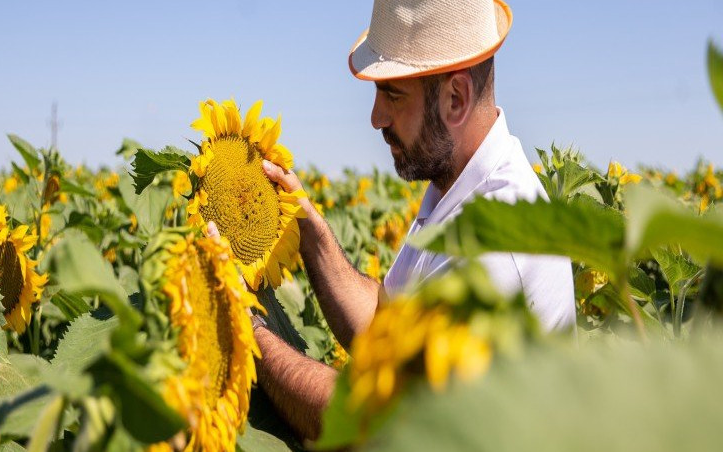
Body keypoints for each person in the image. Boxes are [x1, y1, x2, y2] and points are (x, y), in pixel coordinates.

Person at [209, 0, 575, 441]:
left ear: (455, 99)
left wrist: (247, 328)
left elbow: (372, 425)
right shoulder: (455, 187)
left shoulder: (497, 247)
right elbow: (386, 332)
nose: (375, 117)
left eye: (393, 94)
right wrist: (307, 230)